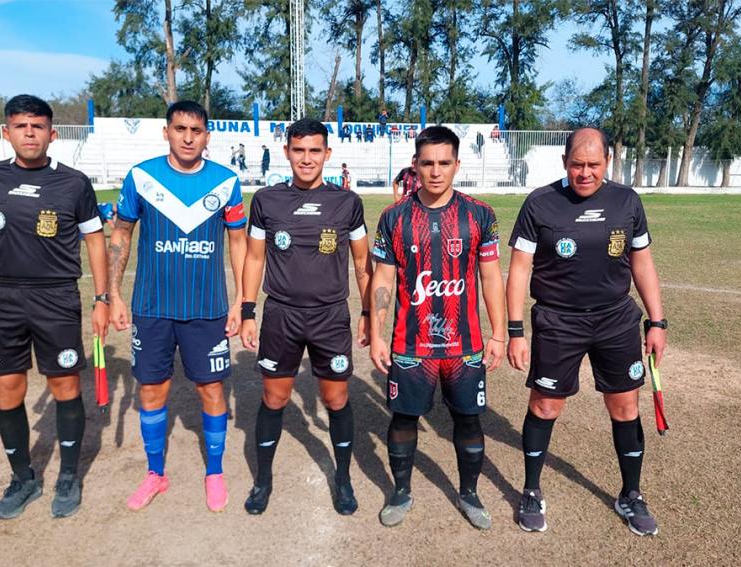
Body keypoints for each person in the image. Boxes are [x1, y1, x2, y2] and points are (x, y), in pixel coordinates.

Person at [505, 127, 667, 536]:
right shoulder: (540, 203)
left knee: (625, 407)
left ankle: (631, 494)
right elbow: (519, 269)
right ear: (564, 162)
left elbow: (642, 263)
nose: (585, 172)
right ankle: (531, 490)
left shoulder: (627, 201)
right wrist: (515, 331)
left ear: (608, 162)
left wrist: (657, 321)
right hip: (558, 321)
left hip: (616, 320)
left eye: (594, 164)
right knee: (545, 406)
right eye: (577, 164)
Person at [0, 94, 109, 520]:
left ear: (52, 134)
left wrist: (102, 299)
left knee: (65, 386)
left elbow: (95, 240)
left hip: (56, 298)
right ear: (6, 132)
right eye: (21, 126)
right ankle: (23, 478)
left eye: (38, 126)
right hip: (0, 298)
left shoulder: (74, 183)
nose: (30, 133)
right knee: (7, 389)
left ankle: (68, 477)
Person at [108, 100, 248, 513]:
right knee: (152, 389)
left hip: (207, 308)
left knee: (211, 388)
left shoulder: (225, 181)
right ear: (166, 131)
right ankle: (156, 473)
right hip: (152, 307)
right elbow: (121, 234)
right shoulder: (142, 177)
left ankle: (214, 472)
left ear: (207, 136)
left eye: (196, 131)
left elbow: (238, 242)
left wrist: (241, 301)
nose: (188, 138)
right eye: (180, 129)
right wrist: (114, 294)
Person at [369, 125, 506, 530]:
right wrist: (376, 334)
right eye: (427, 163)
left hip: (465, 346)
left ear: (457, 165)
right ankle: (401, 491)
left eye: (444, 163)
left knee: (469, 419)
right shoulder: (394, 217)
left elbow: (490, 277)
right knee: (403, 419)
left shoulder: (480, 215)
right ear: (415, 164)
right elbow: (382, 279)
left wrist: (499, 333)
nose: (435, 171)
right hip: (411, 346)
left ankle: (469, 493)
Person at [240, 117, 373, 516]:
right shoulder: (266, 200)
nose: (307, 158)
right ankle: (263, 480)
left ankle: (343, 478)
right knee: (274, 397)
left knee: (336, 398)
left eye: (315, 150)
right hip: (281, 315)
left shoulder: (347, 203)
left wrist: (368, 311)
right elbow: (254, 258)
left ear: (327, 154)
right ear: (287, 152)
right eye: (298, 150)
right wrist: (247, 311)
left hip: (330, 317)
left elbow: (363, 262)